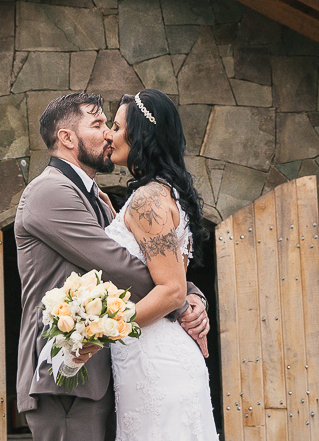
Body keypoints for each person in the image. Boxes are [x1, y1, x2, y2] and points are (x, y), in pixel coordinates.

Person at [13, 92, 211, 441]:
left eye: (111, 125)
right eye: (99, 124)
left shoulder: (100, 200)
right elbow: (118, 265)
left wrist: (190, 293)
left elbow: (152, 258)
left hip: (107, 371)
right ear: (67, 138)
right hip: (66, 377)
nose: (108, 133)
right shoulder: (50, 192)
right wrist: (178, 298)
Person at [104, 89, 220, 441]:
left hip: (156, 360)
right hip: (149, 354)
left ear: (141, 136)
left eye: (116, 126)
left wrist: (102, 331)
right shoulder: (162, 192)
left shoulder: (147, 200)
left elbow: (171, 290)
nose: (109, 135)